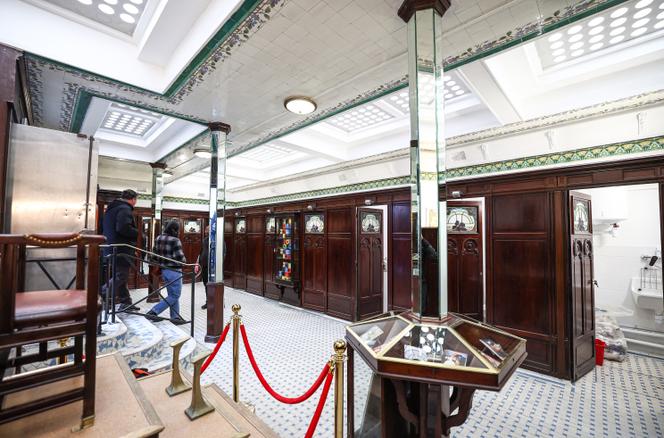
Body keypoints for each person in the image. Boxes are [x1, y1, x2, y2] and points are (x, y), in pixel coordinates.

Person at [102, 189, 139, 311]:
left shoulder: (111, 208)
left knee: (120, 276)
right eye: (136, 200)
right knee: (121, 275)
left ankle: (126, 302)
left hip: (110, 247)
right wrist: (138, 233)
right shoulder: (124, 209)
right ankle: (102, 294)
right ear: (133, 199)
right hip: (121, 248)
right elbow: (123, 228)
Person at [146, 220, 187, 325]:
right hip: (174, 271)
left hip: (164, 271)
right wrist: (185, 261)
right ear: (174, 229)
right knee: (175, 295)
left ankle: (175, 318)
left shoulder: (158, 238)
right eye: (177, 230)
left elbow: (153, 256)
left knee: (172, 294)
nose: (178, 232)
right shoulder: (175, 240)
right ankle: (153, 312)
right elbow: (180, 258)